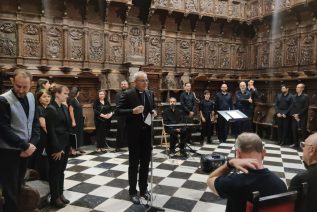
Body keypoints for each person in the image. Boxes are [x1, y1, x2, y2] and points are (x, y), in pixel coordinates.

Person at [207, 132, 287, 212]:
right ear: (263, 153)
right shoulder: (280, 184)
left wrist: (230, 163)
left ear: (237, 153)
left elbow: (210, 180)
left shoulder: (234, 182)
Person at [0, 69, 39, 212]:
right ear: (12, 82)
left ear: (31, 84)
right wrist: (24, 146)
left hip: (26, 149)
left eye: (25, 87)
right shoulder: (3, 100)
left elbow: (34, 123)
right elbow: (3, 129)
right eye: (18, 86)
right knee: (10, 190)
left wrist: (32, 144)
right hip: (8, 151)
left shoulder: (31, 97)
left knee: (18, 186)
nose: (21, 90)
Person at [116, 71, 157, 204]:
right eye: (143, 81)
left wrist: (154, 112)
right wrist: (132, 111)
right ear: (135, 82)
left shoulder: (150, 94)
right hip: (134, 135)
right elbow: (118, 111)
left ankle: (143, 189)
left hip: (147, 134)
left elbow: (153, 108)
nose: (146, 83)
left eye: (147, 81)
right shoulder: (127, 94)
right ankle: (133, 192)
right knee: (134, 164)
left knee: (145, 163)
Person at [45, 84, 71, 208]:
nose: (67, 96)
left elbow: (67, 128)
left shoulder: (64, 107)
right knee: (55, 172)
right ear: (57, 94)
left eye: (67, 94)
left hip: (64, 144)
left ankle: (60, 194)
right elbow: (51, 130)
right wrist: (57, 149)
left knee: (61, 171)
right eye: (65, 93)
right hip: (56, 146)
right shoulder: (51, 108)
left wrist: (68, 145)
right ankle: (54, 198)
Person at [289, 133, 317, 212]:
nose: (302, 149)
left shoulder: (301, 179)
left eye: (304, 145)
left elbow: (288, 207)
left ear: (311, 150)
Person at [29, 89, 51, 181]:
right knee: (41, 158)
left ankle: (45, 176)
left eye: (48, 96)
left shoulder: (47, 108)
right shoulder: (39, 108)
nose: (47, 99)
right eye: (44, 97)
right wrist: (52, 136)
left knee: (45, 158)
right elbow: (43, 124)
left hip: (46, 136)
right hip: (42, 136)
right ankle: (40, 177)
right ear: (38, 98)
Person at [289, 83, 310, 148]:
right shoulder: (294, 96)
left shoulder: (306, 96)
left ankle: (303, 145)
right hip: (294, 116)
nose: (296, 88)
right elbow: (292, 106)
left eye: (298, 87)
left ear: (302, 89)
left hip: (302, 116)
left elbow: (306, 107)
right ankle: (296, 144)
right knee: (294, 130)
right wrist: (294, 114)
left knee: (303, 130)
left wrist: (298, 114)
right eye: (296, 87)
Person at [68, 87, 85, 155]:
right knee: (74, 134)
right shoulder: (72, 100)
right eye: (78, 92)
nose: (79, 94)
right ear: (76, 92)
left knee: (78, 133)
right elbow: (71, 110)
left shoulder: (76, 99)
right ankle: (72, 150)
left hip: (79, 119)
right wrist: (73, 121)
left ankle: (77, 147)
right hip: (75, 119)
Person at [115, 80, 129, 151]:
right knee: (120, 130)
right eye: (122, 84)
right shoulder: (118, 94)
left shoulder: (130, 93)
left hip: (129, 114)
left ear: (127, 85)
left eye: (125, 84)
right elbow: (118, 105)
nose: (123, 85)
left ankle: (127, 144)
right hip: (121, 114)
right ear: (121, 85)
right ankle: (118, 146)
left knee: (128, 130)